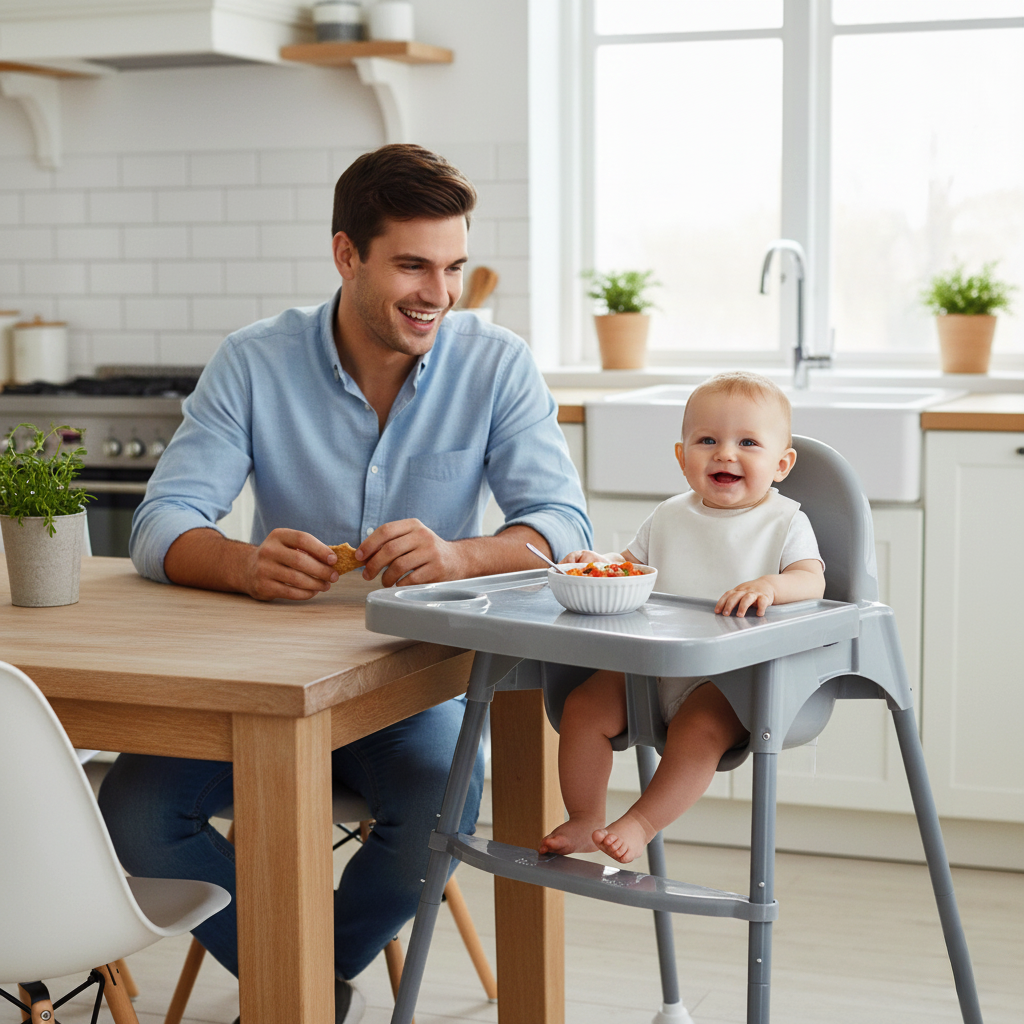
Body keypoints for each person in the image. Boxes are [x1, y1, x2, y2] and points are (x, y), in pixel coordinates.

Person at [98, 143, 592, 1023]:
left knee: (444, 800)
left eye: (452, 267)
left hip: (411, 684)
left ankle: (306, 975)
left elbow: (564, 527)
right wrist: (243, 565)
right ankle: (302, 979)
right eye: (411, 264)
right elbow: (161, 524)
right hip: (261, 689)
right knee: (134, 814)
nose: (436, 293)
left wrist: (459, 556)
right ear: (346, 255)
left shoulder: (497, 364)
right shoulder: (254, 361)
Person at [538, 371, 824, 866]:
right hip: (650, 665)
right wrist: (599, 564)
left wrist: (770, 586)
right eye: (707, 440)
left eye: (747, 442)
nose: (725, 453)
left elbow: (812, 579)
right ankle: (585, 816)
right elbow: (632, 563)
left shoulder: (785, 521)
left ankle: (643, 821)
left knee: (700, 733)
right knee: (584, 706)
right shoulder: (669, 515)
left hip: (728, 679)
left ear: (782, 464)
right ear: (681, 455)